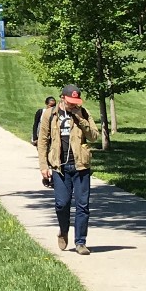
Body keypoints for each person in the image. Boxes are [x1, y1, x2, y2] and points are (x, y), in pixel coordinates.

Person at [37, 84, 102, 254]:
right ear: (62, 98)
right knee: (61, 204)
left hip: (81, 166)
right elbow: (43, 141)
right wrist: (44, 166)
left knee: (83, 205)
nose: (74, 105)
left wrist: (80, 119)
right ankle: (63, 229)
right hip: (60, 168)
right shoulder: (49, 115)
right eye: (71, 101)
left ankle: (80, 242)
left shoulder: (83, 112)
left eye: (76, 102)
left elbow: (94, 136)